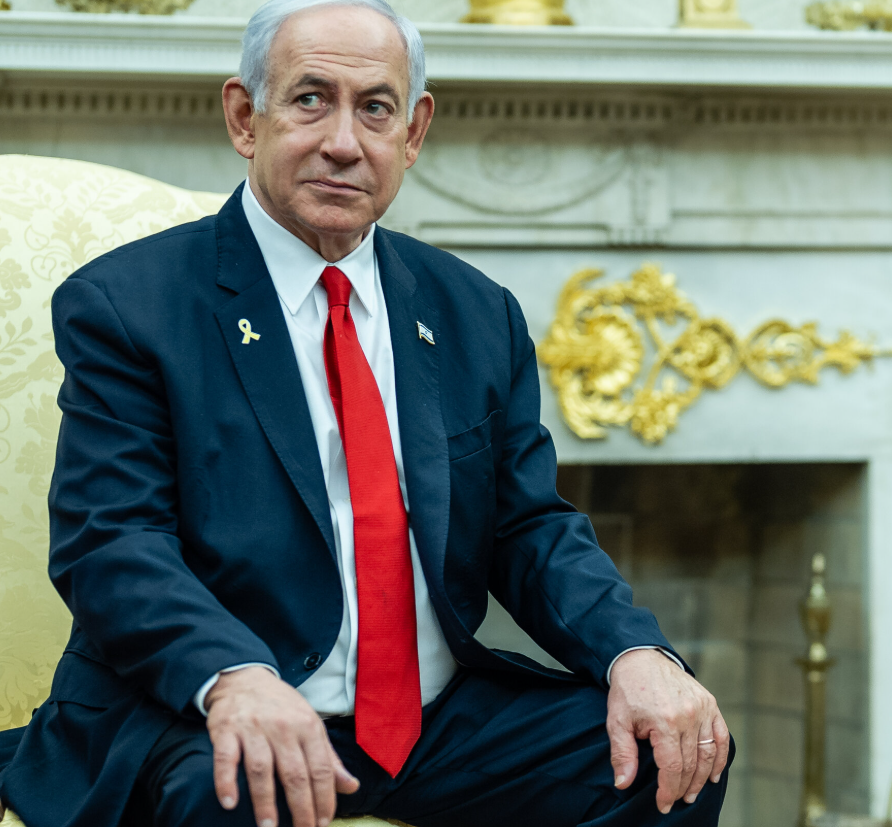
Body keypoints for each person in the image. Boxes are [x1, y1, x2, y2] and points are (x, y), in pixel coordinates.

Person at [0, 2, 731, 826]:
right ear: (246, 117)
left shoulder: (473, 312)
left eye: (374, 108)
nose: (343, 141)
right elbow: (114, 540)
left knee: (676, 756)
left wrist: (634, 651)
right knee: (235, 790)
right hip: (209, 708)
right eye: (310, 98)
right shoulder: (131, 306)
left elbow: (527, 527)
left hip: (429, 721)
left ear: (412, 133)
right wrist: (233, 676)